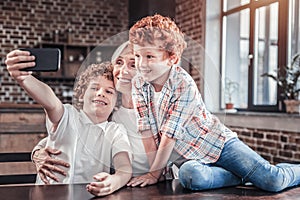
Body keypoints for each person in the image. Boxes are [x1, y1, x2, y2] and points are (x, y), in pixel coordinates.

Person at [126, 14, 300, 192]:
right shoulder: (139, 84)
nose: (141, 64)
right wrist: (156, 172)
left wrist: (153, 174)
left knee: (272, 181)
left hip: (219, 144)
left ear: (172, 58)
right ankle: (239, 175)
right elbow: (146, 129)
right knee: (190, 176)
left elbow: (170, 135)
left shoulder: (183, 84)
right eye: (138, 56)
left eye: (149, 56)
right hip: (191, 157)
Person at [5, 50, 132, 197]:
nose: (100, 93)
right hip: (48, 196)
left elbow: (124, 168)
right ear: (82, 94)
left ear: (117, 102)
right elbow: (51, 102)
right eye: (94, 88)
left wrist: (114, 181)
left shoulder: (116, 131)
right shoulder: (67, 115)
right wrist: (24, 78)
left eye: (109, 92)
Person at [30, 42, 153, 182]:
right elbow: (58, 127)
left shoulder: (153, 113)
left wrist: (117, 180)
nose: (124, 70)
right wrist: (38, 152)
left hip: (145, 184)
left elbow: (123, 168)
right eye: (120, 62)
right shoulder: (114, 117)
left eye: (133, 65)